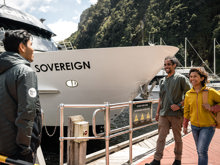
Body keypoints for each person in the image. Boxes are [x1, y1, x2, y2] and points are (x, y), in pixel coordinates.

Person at [0, 30, 42, 164]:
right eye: (30, 44)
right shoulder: (25, 72)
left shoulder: (2, 73)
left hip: (3, 147)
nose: (33, 49)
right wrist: (24, 148)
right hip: (18, 150)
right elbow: (27, 111)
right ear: (22, 47)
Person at [145, 56, 191, 165]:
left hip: (176, 114)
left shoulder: (181, 78)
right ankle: (156, 160)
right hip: (163, 114)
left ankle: (177, 160)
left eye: (168, 64)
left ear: (174, 65)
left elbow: (190, 94)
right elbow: (161, 98)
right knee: (161, 138)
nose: (166, 67)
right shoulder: (162, 81)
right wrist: (157, 112)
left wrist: (179, 105)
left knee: (177, 138)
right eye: (165, 65)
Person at [183, 67, 220, 165]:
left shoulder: (210, 92)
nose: (192, 79)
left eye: (195, 76)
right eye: (190, 76)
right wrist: (185, 125)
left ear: (202, 78)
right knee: (200, 151)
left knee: (202, 151)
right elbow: (186, 111)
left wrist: (212, 108)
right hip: (194, 127)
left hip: (208, 126)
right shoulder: (188, 94)